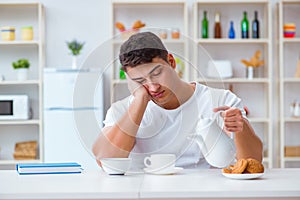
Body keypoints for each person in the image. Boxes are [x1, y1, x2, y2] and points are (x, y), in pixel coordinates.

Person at [92, 31, 263, 169]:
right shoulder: (121, 110)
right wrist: (139, 101)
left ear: (171, 62)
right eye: (140, 81)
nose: (152, 87)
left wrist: (241, 128)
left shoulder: (220, 100)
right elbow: (104, 160)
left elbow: (253, 161)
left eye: (157, 73)